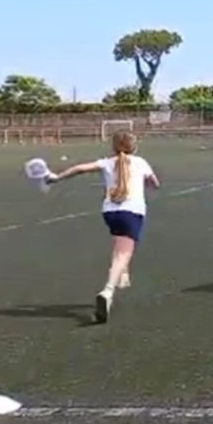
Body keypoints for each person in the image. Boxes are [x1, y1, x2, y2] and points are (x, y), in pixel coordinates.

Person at [46, 130, 160, 324]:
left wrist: (56, 177)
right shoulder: (140, 162)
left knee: (120, 243)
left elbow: (80, 168)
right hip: (131, 212)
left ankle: (123, 272)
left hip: (110, 213)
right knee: (123, 253)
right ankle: (107, 291)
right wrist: (150, 183)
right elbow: (155, 183)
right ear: (134, 146)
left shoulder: (107, 163)